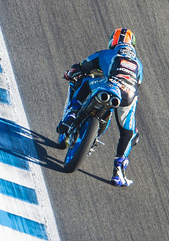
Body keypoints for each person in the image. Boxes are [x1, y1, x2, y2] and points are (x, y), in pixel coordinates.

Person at [56, 28, 143, 186]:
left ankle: (72, 113)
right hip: (129, 95)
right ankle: (118, 172)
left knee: (83, 81)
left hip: (109, 85)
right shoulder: (139, 64)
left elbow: (82, 66)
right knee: (129, 133)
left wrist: (70, 73)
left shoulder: (107, 54)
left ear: (113, 42)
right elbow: (138, 83)